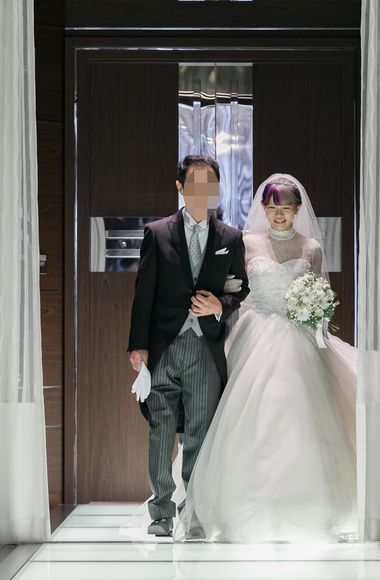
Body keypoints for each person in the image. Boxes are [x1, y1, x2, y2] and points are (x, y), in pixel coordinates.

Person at [183, 174, 357, 542]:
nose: (279, 214)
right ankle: (246, 503)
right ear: (264, 209)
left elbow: (320, 293)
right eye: (273, 208)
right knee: (253, 415)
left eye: (286, 208)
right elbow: (235, 289)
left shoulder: (311, 248)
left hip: (298, 338)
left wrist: (316, 317)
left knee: (297, 414)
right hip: (255, 332)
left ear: (297, 209)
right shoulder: (247, 243)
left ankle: (302, 503)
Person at [127, 155, 249, 537]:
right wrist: (138, 346)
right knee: (160, 430)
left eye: (210, 185)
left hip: (205, 347)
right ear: (180, 187)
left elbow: (241, 289)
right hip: (164, 345)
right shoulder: (158, 233)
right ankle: (161, 513)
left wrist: (219, 306)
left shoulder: (231, 238)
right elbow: (143, 294)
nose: (202, 192)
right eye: (194, 185)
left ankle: (193, 511)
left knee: (199, 432)